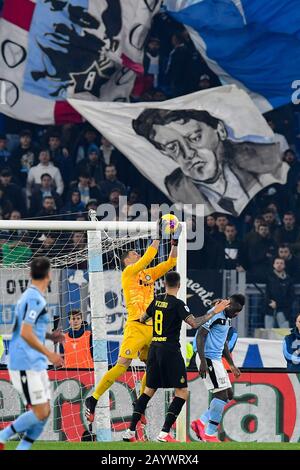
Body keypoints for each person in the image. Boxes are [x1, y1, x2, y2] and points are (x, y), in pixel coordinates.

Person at [85, 220, 181, 423]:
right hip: (136, 326)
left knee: (152, 368)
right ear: (127, 261)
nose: (137, 255)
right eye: (133, 255)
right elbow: (148, 257)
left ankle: (139, 404)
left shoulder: (148, 275)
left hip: (152, 328)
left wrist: (175, 242)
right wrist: (157, 235)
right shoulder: (128, 273)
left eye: (138, 254)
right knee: (123, 363)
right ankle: (93, 400)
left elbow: (171, 263)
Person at [122, 272, 231, 443]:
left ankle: (129, 432)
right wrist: (214, 311)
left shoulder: (156, 300)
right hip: (170, 350)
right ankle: (164, 433)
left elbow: (143, 319)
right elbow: (194, 323)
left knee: (148, 391)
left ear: (164, 284)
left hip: (154, 349)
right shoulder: (179, 304)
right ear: (179, 285)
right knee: (182, 392)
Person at [133, 109, 284, 216]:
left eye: (195, 138)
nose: (188, 154)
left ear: (220, 130)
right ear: (164, 152)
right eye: (173, 147)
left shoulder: (265, 158)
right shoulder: (174, 188)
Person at [0, 257, 64, 451]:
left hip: (34, 362)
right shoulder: (34, 299)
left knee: (45, 412)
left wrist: (49, 336)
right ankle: (3, 435)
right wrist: (50, 354)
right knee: (41, 410)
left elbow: (28, 328)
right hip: (25, 362)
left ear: (30, 274)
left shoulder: (29, 296)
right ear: (49, 274)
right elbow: (26, 333)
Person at [193, 294, 245, 442]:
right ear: (228, 305)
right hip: (207, 358)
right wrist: (202, 361)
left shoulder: (227, 318)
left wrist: (232, 365)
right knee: (220, 395)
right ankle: (208, 432)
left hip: (216, 360)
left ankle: (202, 423)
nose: (236, 314)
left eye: (238, 311)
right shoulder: (215, 313)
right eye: (235, 310)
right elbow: (200, 336)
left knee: (229, 395)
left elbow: (224, 344)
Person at [265, 257, 295, 328]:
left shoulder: (289, 279)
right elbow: (266, 293)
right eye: (277, 263)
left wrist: (278, 304)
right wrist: (269, 302)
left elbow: (291, 296)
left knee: (284, 333)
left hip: (284, 311)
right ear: (273, 265)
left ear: (284, 265)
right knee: (269, 333)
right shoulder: (268, 277)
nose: (279, 265)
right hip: (269, 309)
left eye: (281, 263)